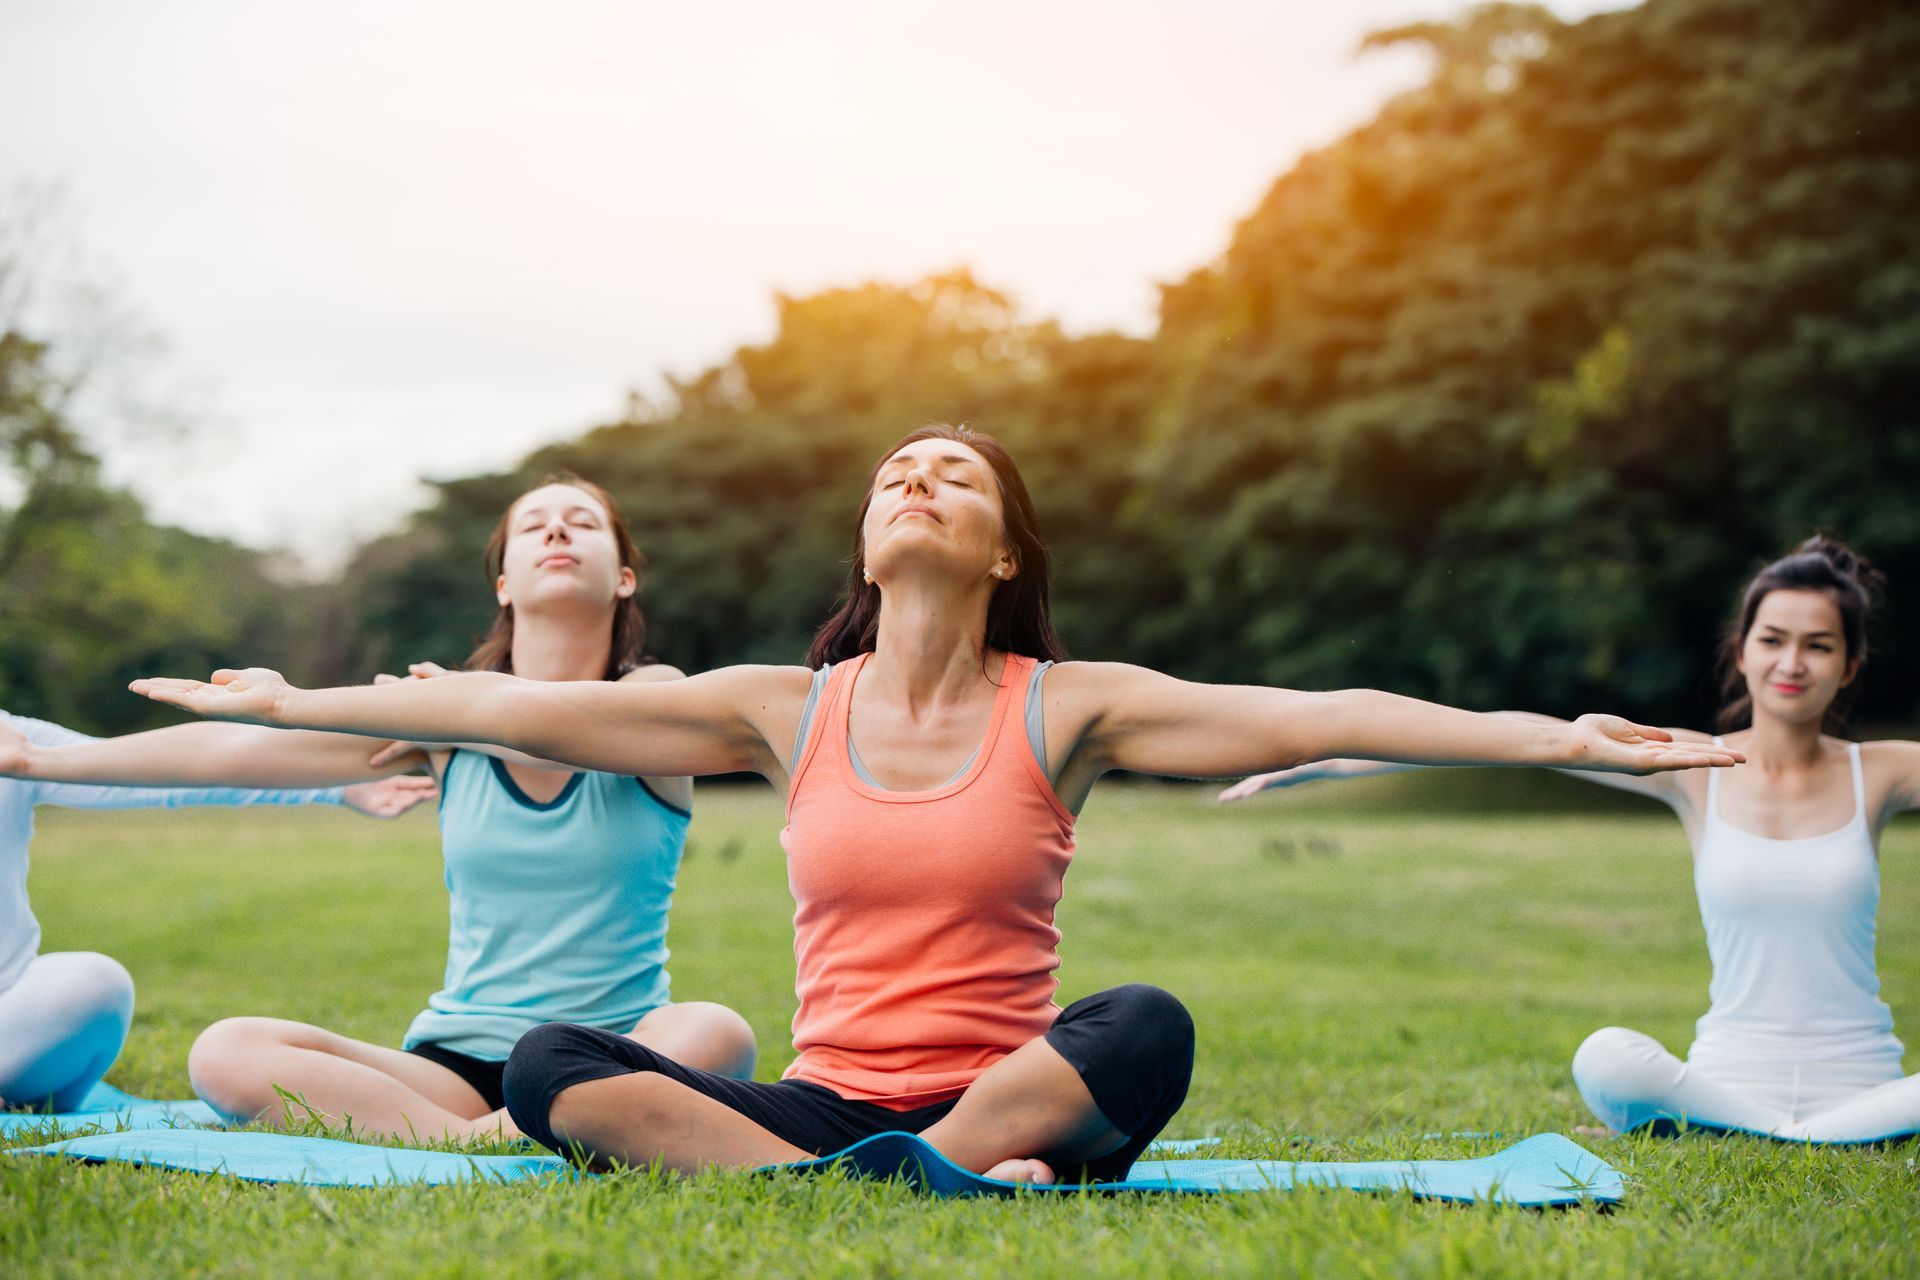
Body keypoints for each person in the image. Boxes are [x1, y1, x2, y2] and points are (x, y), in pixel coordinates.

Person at [128, 425, 1738, 1182]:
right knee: (556, 1067)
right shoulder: (780, 708)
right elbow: (499, 701)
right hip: (833, 1103)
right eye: (894, 474)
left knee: (1149, 1024)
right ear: (864, 541)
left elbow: (1325, 712)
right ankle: (889, 1181)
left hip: (1015, 1080)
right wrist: (298, 699)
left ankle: (958, 1158)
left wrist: (1564, 740)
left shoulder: (1073, 704)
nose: (916, 485)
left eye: (953, 477)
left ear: (1004, 550)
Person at [4, 474, 753, 1139]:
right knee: (227, 1050)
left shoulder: (657, 699)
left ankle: (499, 1129)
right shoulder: (441, 721)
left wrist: (449, 706)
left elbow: (553, 733)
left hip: (609, 1052)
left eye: (583, 522)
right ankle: (488, 1138)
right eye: (534, 525)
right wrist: (44, 760)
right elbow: (239, 754)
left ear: (623, 579)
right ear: (503, 585)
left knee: (716, 1032)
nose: (557, 530)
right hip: (456, 1068)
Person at [1222, 536, 1920, 1143]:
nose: (1792, 662)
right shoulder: (1687, 762)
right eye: (1773, 640)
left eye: (1818, 645)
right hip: (1725, 1080)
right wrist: (1329, 759)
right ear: (1742, 651)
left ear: (1850, 665)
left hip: (1866, 1084)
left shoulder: (1882, 771)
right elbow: (1507, 732)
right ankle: (1808, 1136)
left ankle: (1800, 1132)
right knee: (1605, 1056)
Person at [0, 706, 430, 1113]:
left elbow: (165, 771)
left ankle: (24, 1092)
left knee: (96, 983)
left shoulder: (14, 738)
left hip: (12, 1016)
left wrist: (336, 783)